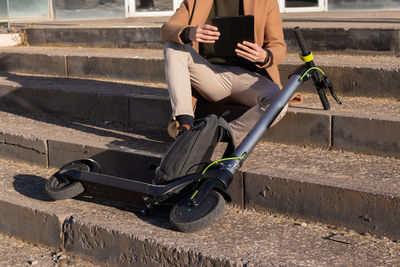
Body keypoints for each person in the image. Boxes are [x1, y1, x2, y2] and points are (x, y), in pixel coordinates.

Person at [161, 0, 290, 145]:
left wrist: (264, 55)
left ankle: (226, 134)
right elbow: (167, 29)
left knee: (280, 99)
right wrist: (190, 32)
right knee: (173, 47)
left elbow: (278, 46)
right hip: (209, 75)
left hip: (248, 78)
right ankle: (185, 127)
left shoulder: (266, 1)